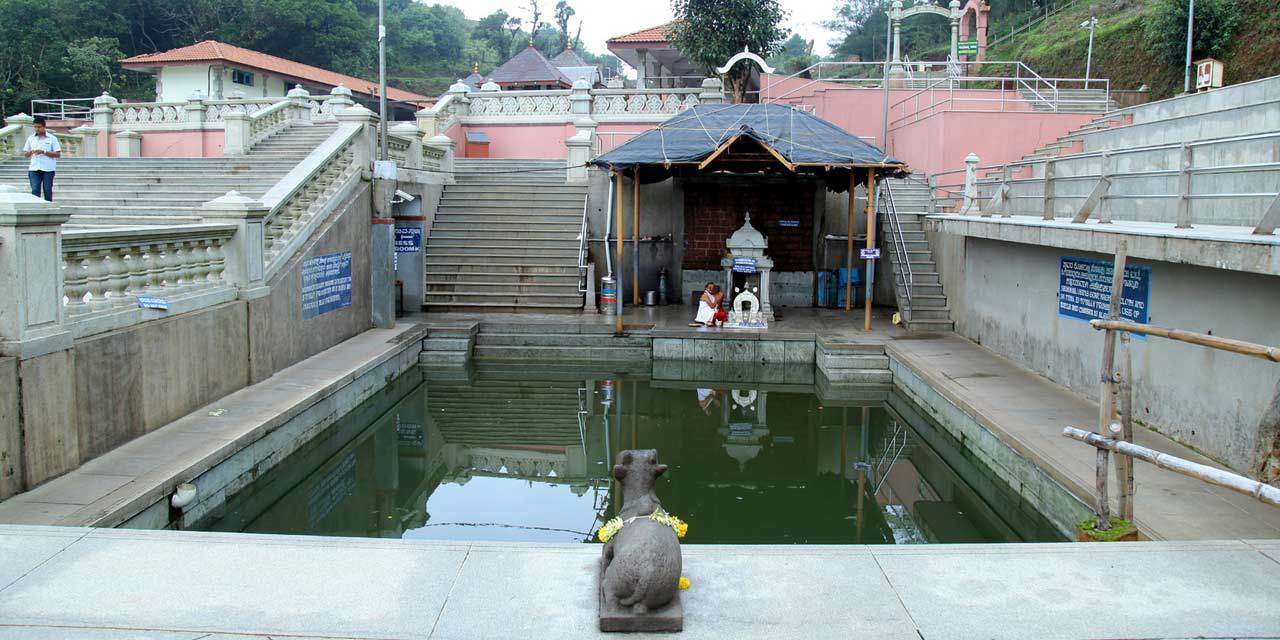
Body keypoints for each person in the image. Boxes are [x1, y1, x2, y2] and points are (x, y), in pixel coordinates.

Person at [23, 116, 60, 201]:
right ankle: (36, 209)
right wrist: (31, 152)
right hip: (34, 168)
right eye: (35, 127)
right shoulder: (31, 138)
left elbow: (58, 154)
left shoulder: (52, 138)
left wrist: (44, 152)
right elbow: (25, 154)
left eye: (39, 127)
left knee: (47, 190)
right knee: (35, 190)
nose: (37, 129)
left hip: (48, 169)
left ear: (44, 126)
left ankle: (49, 209)